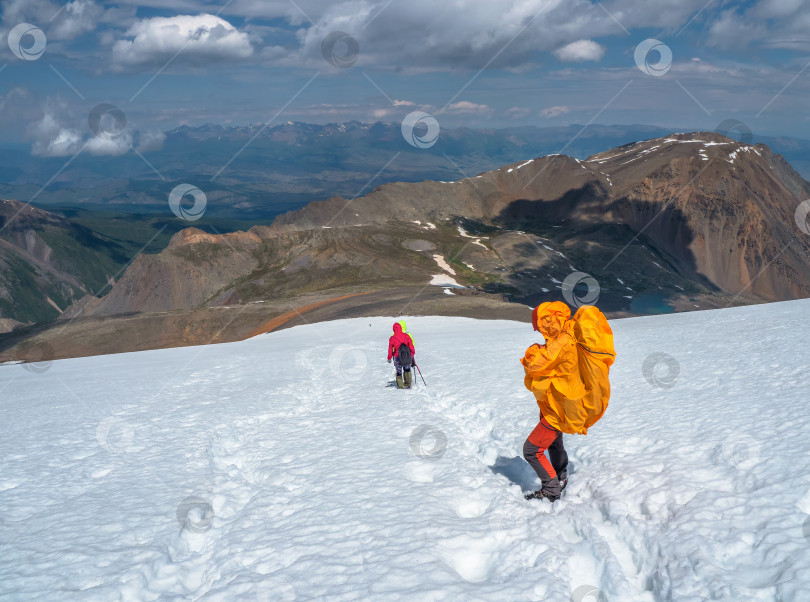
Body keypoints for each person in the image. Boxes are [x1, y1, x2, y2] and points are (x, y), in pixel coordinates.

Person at [520, 301, 584, 501]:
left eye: (540, 326)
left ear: (549, 320)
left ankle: (551, 489)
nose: (539, 331)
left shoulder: (562, 340)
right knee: (554, 443)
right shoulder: (563, 336)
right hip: (558, 402)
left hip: (559, 407)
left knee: (531, 450)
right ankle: (561, 476)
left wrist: (531, 353)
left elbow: (537, 365)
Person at [387, 322, 415, 389]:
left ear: (393, 329)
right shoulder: (406, 336)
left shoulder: (392, 338)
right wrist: (412, 354)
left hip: (397, 357)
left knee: (399, 371)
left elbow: (390, 349)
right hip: (406, 356)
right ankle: (408, 384)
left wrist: (389, 357)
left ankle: (400, 386)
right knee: (407, 369)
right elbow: (411, 345)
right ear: (401, 328)